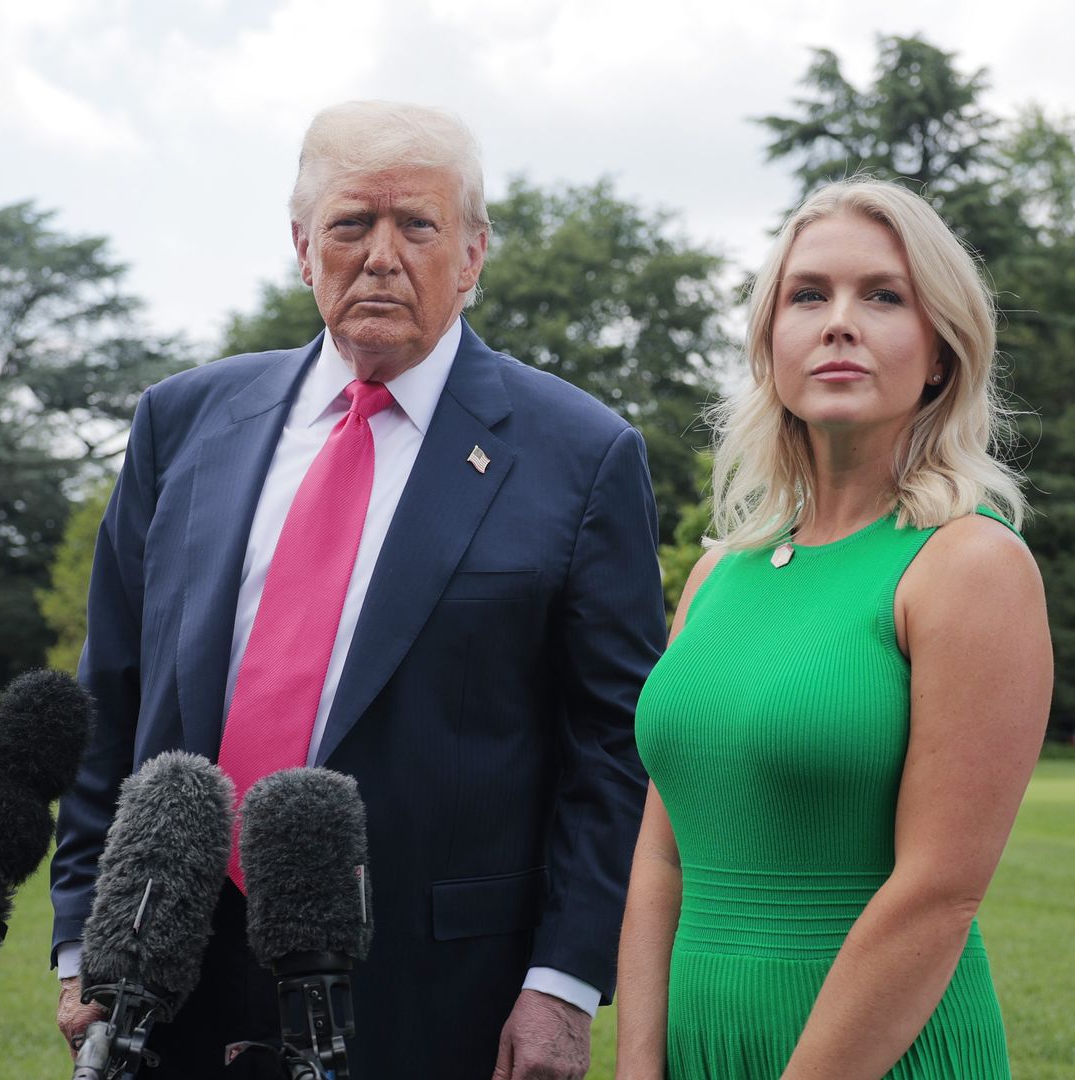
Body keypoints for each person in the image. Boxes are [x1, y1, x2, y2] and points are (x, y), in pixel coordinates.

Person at [49, 100, 664, 1079]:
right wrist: (84, 935)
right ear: (303, 247)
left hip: (439, 996)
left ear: (472, 254)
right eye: (351, 224)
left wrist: (563, 980)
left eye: (416, 225)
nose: (382, 255)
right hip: (169, 985)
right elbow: (109, 695)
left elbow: (614, 745)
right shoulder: (181, 425)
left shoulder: (582, 455)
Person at [615, 178, 1052, 1080]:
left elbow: (937, 895)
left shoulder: (970, 564)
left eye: (884, 296)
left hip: (876, 1054)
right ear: (771, 342)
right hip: (703, 1047)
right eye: (808, 295)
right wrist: (637, 1065)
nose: (839, 322)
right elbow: (661, 855)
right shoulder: (717, 574)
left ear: (940, 354)